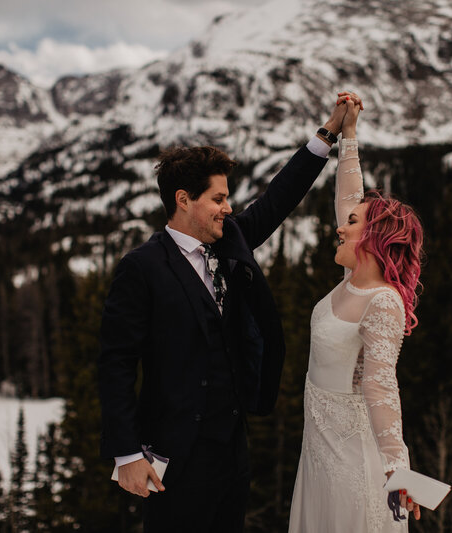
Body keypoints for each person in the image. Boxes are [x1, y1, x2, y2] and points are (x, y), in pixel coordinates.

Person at [97, 98, 349, 533]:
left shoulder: (229, 240)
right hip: (172, 458)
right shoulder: (141, 267)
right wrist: (127, 455)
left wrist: (327, 133)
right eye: (218, 198)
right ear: (183, 200)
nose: (227, 208)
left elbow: (277, 199)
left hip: (232, 452)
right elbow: (115, 362)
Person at [288, 94, 424, 532]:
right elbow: (349, 193)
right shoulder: (351, 283)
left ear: (375, 238)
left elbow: (381, 387)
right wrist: (348, 135)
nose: (340, 226)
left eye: (352, 223)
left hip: (353, 459)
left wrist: (396, 468)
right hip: (319, 452)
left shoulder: (382, 301)